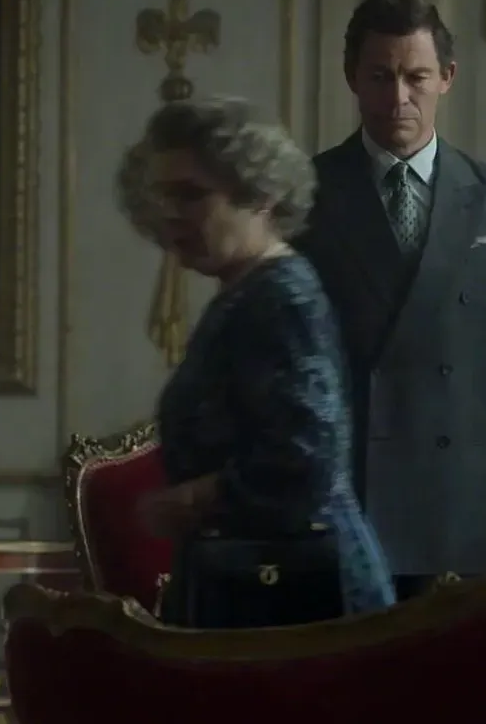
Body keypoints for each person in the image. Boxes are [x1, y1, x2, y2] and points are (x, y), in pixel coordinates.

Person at [296, 0, 486, 601]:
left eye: (416, 77)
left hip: (463, 493)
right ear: (352, 77)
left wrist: (459, 420)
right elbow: (292, 350)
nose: (399, 97)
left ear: (447, 78)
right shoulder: (305, 194)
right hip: (352, 488)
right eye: (381, 77)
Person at [118, 97, 395, 628]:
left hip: (297, 597)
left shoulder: (282, 299)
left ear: (261, 196)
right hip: (258, 584)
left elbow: (305, 459)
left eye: (191, 195)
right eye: (164, 196)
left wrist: (189, 500)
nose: (171, 214)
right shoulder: (249, 292)